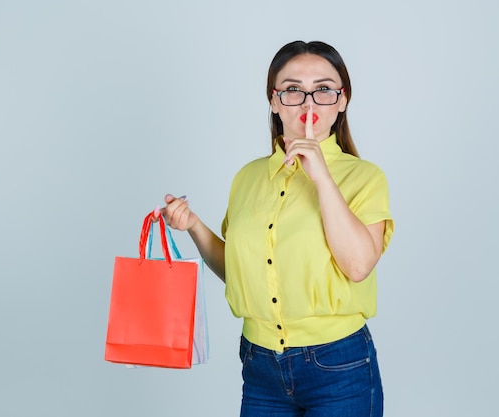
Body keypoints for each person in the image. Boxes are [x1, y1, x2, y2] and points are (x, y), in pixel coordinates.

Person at [155, 40, 394, 417]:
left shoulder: (365, 178)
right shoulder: (248, 178)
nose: (309, 103)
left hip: (339, 365)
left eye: (324, 90)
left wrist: (321, 177)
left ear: (342, 100)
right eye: (294, 90)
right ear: (274, 100)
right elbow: (240, 273)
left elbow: (358, 266)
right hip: (259, 364)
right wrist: (194, 227)